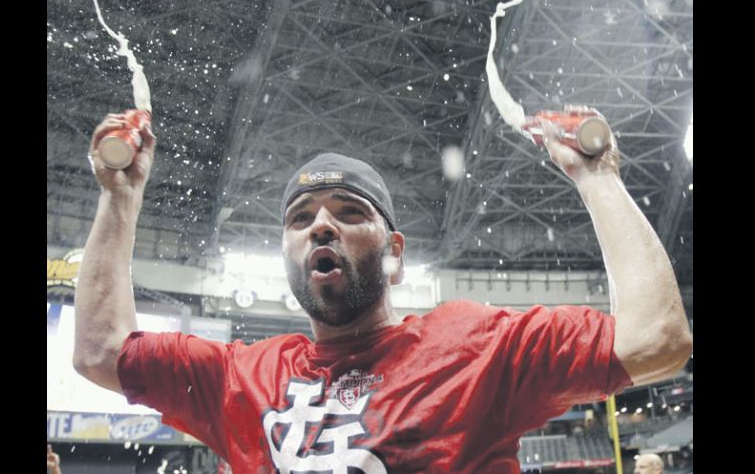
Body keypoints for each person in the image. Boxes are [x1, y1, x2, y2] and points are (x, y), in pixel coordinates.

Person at [73, 111, 692, 473]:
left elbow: (657, 340)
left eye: (348, 211)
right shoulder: (240, 377)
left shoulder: (476, 347)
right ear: (288, 253)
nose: (321, 223)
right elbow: (100, 350)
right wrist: (120, 198)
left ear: (395, 253)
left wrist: (598, 176)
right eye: (300, 219)